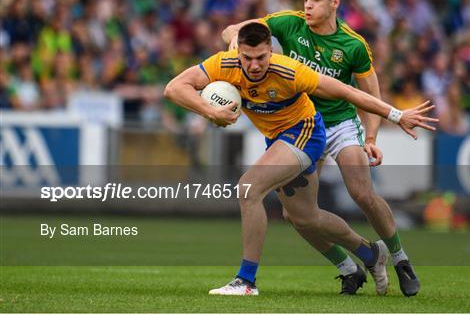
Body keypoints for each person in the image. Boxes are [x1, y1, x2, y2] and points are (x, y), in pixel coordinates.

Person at [164, 22, 437, 296]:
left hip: (305, 132)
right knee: (305, 218)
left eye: (261, 57)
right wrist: (208, 110)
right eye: (247, 58)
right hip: (278, 139)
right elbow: (174, 88)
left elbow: (348, 92)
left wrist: (397, 115)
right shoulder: (224, 64)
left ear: (270, 51)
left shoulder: (289, 71)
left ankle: (246, 281)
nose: (255, 65)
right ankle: (369, 253)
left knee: (249, 188)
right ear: (238, 54)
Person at [222, 0, 421, 296]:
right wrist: (234, 40)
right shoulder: (289, 23)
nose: (308, 6)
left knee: (361, 193)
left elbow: (370, 94)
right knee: (297, 215)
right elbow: (237, 30)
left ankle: (400, 259)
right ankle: (352, 264)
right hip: (298, 124)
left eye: (315, 0)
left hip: (339, 123)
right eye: (305, 0)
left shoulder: (353, 45)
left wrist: (371, 138)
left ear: (335, 2)